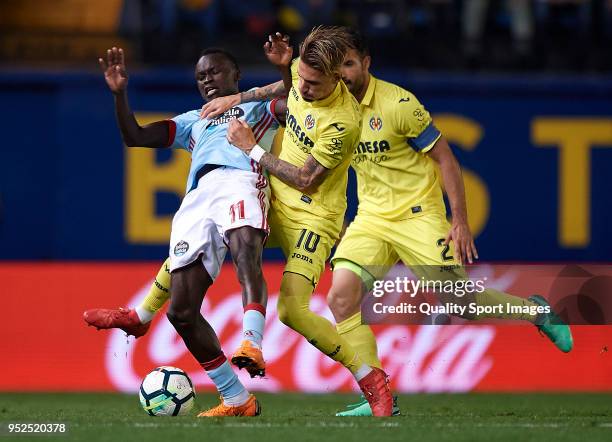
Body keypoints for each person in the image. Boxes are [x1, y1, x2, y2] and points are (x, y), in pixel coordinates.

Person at [326, 28, 573, 416]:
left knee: (460, 301)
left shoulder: (399, 104)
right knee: (340, 298)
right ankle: (378, 396)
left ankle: (536, 311)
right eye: (335, 65)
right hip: (371, 219)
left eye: (349, 63)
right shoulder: (332, 106)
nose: (342, 73)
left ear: (366, 64)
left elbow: (446, 159)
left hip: (418, 215)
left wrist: (459, 222)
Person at [86, 46, 284, 417]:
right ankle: (237, 399)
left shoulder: (257, 109)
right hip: (196, 199)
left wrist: (268, 80)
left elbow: (297, 95)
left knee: (245, 253)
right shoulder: (195, 119)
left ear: (235, 73)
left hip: (241, 180)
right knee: (180, 312)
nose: (208, 80)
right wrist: (119, 94)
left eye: (215, 72)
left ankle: (252, 341)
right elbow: (135, 137)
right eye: (201, 76)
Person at [205, 26, 394, 416]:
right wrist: (235, 98)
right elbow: (283, 86)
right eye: (301, 79)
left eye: (313, 84)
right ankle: (142, 313)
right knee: (210, 227)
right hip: (274, 199)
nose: (303, 89)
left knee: (292, 311)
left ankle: (371, 381)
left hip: (314, 217)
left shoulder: (343, 123)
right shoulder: (300, 75)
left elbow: (306, 178)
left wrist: (252, 148)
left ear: (337, 77)